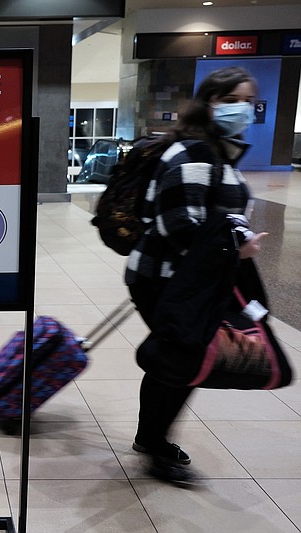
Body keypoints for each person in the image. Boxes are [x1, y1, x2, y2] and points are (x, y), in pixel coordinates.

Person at [124, 66, 268, 485]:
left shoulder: (219, 150)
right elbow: (179, 224)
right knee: (182, 360)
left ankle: (152, 439)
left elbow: (217, 216)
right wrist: (234, 249)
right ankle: (153, 443)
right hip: (163, 279)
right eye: (231, 99)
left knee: (179, 360)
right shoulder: (195, 152)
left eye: (247, 99)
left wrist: (234, 234)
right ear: (209, 103)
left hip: (191, 279)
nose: (242, 107)